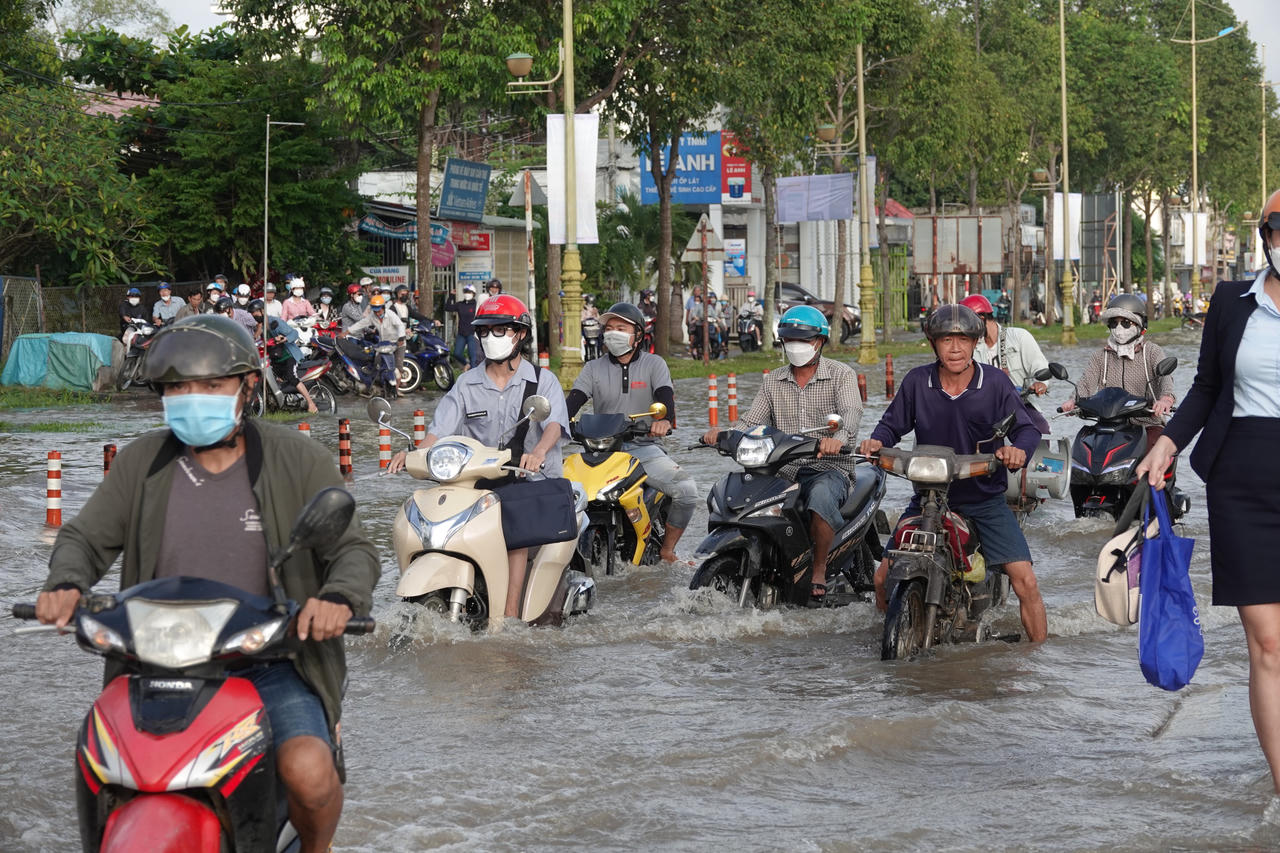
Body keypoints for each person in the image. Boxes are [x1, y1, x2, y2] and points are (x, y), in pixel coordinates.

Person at [34, 315, 378, 853]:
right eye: (178, 388)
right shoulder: (141, 463)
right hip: (153, 664)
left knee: (308, 772)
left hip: (271, 660)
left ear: (248, 385)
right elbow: (84, 537)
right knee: (103, 766)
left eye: (212, 385)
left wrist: (337, 599)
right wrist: (66, 583)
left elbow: (353, 549)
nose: (193, 399)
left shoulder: (297, 458)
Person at [1138, 193, 1280, 815]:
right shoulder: (1230, 302)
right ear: (1266, 236)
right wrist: (1166, 445)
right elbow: (1206, 387)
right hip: (1241, 479)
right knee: (1267, 644)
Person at [858, 304, 1048, 642]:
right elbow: (891, 426)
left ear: (976, 343)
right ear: (934, 343)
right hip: (928, 499)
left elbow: (1027, 429)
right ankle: (895, 637)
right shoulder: (918, 381)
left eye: (963, 340)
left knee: (1026, 581)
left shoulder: (995, 383)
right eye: (947, 340)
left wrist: (1017, 450)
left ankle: (1039, 653)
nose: (955, 348)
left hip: (983, 499)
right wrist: (876, 442)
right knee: (881, 579)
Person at [387, 295, 569, 619]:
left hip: (527, 479)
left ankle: (509, 614)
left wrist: (537, 452)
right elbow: (439, 429)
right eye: (484, 331)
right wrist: (414, 454)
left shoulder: (543, 381)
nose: (490, 337)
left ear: (520, 334)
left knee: (511, 523)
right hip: (478, 482)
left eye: (500, 330)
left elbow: (553, 425)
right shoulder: (465, 383)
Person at [702, 305, 864, 604]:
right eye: (790, 339)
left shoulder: (841, 375)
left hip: (828, 467)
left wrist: (837, 439)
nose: (795, 345)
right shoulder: (773, 380)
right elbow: (752, 421)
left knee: (820, 498)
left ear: (820, 341)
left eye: (803, 340)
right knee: (739, 495)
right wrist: (724, 434)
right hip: (782, 468)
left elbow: (850, 416)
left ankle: (818, 568)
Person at [567, 302, 699, 563]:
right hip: (601, 451)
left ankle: (667, 550)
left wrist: (664, 421)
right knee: (566, 494)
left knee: (686, 490)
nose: (612, 333)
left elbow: (665, 398)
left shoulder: (654, 364)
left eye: (621, 328)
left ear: (638, 334)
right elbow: (572, 402)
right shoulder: (593, 368)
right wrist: (560, 421)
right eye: (609, 328)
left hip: (644, 447)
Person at [1059, 294, 1176, 446]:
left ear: (1140, 325)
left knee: (1157, 448)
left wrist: (1166, 398)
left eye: (1126, 323)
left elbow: (1165, 378)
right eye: (1114, 323)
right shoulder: (1100, 356)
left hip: (1147, 424)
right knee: (1084, 448)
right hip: (1108, 425)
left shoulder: (1152, 352)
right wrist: (1073, 400)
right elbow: (1086, 382)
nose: (1119, 328)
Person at [963, 293, 1050, 394]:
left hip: (1021, 400)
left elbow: (1039, 365)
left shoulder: (1019, 337)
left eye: (968, 325)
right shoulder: (970, 348)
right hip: (987, 401)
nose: (966, 330)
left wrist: (1040, 383)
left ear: (981, 319)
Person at [345, 294, 406, 395]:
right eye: (375, 311)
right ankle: (377, 387)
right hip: (384, 345)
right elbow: (361, 324)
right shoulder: (372, 316)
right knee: (377, 365)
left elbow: (400, 326)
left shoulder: (391, 314)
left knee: (397, 368)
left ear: (383, 307)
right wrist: (347, 332)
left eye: (379, 310)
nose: (377, 313)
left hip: (398, 343)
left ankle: (396, 390)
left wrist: (401, 338)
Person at [265, 313, 320, 413]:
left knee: (292, 377)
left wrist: (284, 338)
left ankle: (311, 404)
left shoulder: (275, 322)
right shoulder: (256, 328)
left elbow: (294, 333)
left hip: (289, 356)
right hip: (273, 360)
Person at [445, 284, 480, 367]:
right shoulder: (460, 304)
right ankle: (467, 364)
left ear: (473, 294)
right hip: (461, 333)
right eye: (466, 292)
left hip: (472, 333)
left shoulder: (476, 305)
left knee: (473, 356)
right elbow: (448, 308)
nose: (467, 294)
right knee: (456, 353)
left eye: (469, 292)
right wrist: (451, 296)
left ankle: (473, 372)